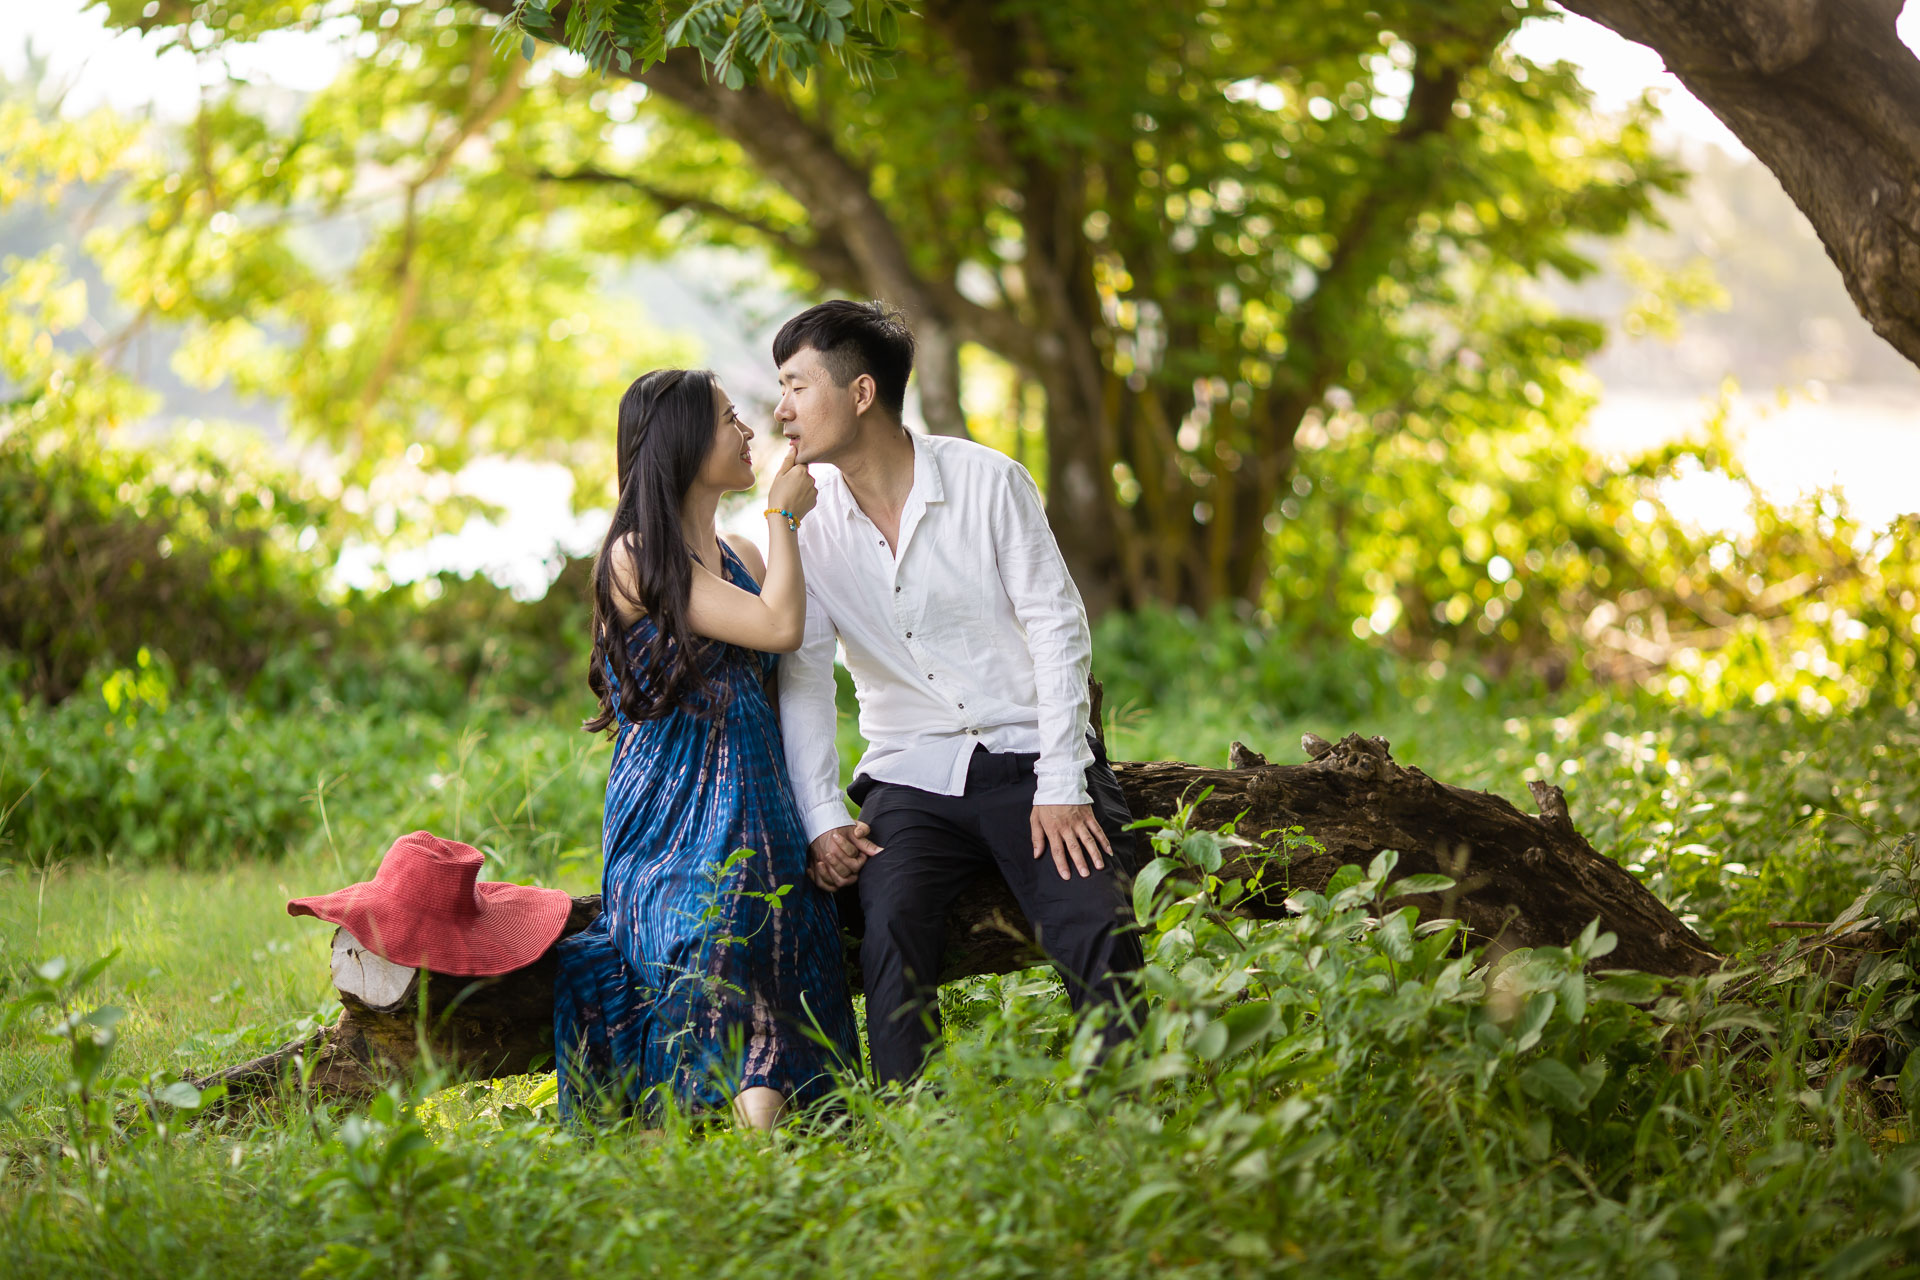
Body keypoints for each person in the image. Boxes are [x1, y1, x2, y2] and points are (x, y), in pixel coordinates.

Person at [773, 300, 1144, 1086]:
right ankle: (916, 1130)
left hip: (1027, 754)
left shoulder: (987, 481)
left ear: (862, 393)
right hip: (911, 774)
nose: (781, 412)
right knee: (890, 923)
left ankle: (1130, 1113)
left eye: (796, 387)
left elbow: (1057, 629)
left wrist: (1063, 781)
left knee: (1092, 920)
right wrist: (823, 816)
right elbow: (805, 677)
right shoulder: (805, 522)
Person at [552, 368, 859, 1131]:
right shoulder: (633, 557)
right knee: (718, 927)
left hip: (760, 810)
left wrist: (821, 815)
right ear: (684, 441)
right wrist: (785, 519)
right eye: (730, 420)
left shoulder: (744, 556)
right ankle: (721, 1135)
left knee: (783, 930)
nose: (752, 430)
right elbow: (778, 627)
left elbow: (795, 666)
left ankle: (767, 1144)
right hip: (673, 825)